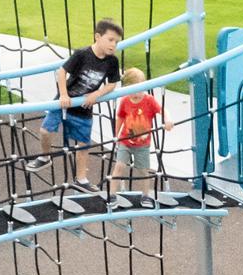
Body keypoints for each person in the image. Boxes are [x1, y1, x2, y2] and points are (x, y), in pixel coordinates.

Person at [27, 19, 122, 185]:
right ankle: (45, 156)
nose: (113, 45)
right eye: (110, 40)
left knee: (83, 145)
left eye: (117, 42)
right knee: (45, 130)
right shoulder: (82, 54)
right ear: (97, 37)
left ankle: (81, 179)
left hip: (84, 108)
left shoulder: (112, 61)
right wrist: (63, 95)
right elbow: (62, 72)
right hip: (64, 103)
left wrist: (97, 94)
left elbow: (112, 83)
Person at [108, 67, 173, 190]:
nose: (137, 94)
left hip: (142, 145)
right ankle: (112, 195)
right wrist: (115, 135)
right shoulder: (125, 101)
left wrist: (167, 119)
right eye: (133, 90)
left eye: (140, 89)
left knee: (143, 171)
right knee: (119, 167)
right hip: (125, 141)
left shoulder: (149, 100)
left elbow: (163, 110)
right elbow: (120, 118)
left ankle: (146, 195)